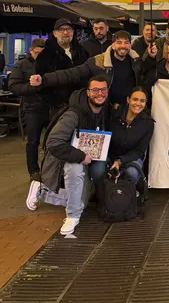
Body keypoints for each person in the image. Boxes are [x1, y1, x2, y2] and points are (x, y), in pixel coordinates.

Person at [26, 75, 111, 235]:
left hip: (90, 157)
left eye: (103, 90)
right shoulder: (73, 114)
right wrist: (80, 156)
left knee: (83, 201)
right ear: (87, 92)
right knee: (75, 170)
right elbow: (53, 142)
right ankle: (72, 216)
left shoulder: (105, 110)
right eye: (95, 90)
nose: (100, 93)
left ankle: (42, 190)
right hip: (66, 159)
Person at [30, 31, 145, 107]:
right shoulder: (98, 62)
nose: (123, 46)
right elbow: (72, 74)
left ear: (130, 45)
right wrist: (44, 79)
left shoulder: (136, 61)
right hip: (105, 109)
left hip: (128, 108)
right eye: (119, 42)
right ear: (113, 45)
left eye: (126, 43)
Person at [90, 86, 154, 185]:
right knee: (97, 170)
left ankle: (126, 192)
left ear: (145, 103)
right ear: (128, 100)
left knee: (132, 173)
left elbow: (139, 151)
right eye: (135, 99)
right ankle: (101, 190)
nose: (138, 103)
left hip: (131, 157)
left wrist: (120, 161)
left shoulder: (148, 123)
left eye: (142, 101)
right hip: (109, 155)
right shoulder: (114, 113)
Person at [8, 38, 48, 181]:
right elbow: (13, 86)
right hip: (32, 108)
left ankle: (51, 169)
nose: (40, 56)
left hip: (51, 107)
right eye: (37, 53)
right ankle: (33, 171)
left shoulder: (51, 63)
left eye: (43, 54)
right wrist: (33, 87)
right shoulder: (21, 65)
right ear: (31, 51)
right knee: (33, 141)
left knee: (54, 140)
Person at [34, 18, 88, 114]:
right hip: (58, 108)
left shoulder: (82, 52)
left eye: (69, 29)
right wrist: (55, 103)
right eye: (62, 30)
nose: (66, 32)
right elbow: (40, 82)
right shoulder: (45, 55)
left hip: (82, 104)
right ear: (55, 33)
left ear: (73, 32)